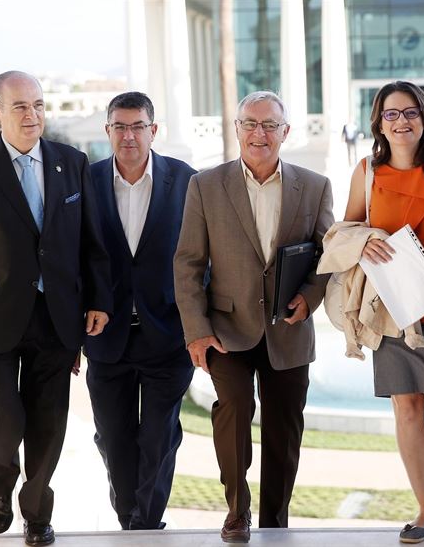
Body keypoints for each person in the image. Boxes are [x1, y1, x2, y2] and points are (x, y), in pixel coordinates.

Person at [0, 71, 112, 546]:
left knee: (49, 418)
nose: (32, 115)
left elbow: (91, 241)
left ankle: (36, 513)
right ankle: (1, 479)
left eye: (38, 105)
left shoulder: (72, 162)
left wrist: (98, 299)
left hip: (58, 316)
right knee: (2, 412)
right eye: (20, 107)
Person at [173, 90, 334, 543]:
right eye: (249, 123)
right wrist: (196, 332)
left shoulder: (315, 185)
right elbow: (187, 263)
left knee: (285, 429)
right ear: (237, 129)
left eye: (268, 125)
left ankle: (275, 523)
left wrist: (310, 297)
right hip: (227, 329)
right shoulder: (205, 185)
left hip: (289, 329)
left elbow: (327, 255)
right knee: (235, 408)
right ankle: (236, 511)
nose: (258, 133)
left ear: (285, 132)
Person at [344, 80, 424, 544]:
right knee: (406, 408)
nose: (402, 121)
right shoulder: (366, 172)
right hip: (393, 309)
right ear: (379, 123)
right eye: (391, 114)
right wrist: (365, 241)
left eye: (410, 112)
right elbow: (348, 229)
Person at [83, 92, 196, 530]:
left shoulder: (186, 181)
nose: (128, 136)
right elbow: (71, 256)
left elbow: (203, 258)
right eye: (120, 127)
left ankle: (146, 525)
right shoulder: (86, 180)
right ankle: (128, 516)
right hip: (105, 336)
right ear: (107, 131)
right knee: (113, 439)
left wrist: (196, 323)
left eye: (137, 126)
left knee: (158, 438)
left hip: (167, 334)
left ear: (154, 130)